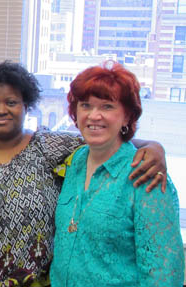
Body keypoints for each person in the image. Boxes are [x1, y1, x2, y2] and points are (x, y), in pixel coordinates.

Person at [0, 61, 168, 287]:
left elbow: (105, 139)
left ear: (26, 106)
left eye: (11, 102)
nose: (1, 110)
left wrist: (154, 147)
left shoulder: (49, 147)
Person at [50, 62, 184, 286]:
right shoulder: (75, 162)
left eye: (107, 107)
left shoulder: (145, 174)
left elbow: (164, 274)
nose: (94, 116)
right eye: (85, 105)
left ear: (127, 116)